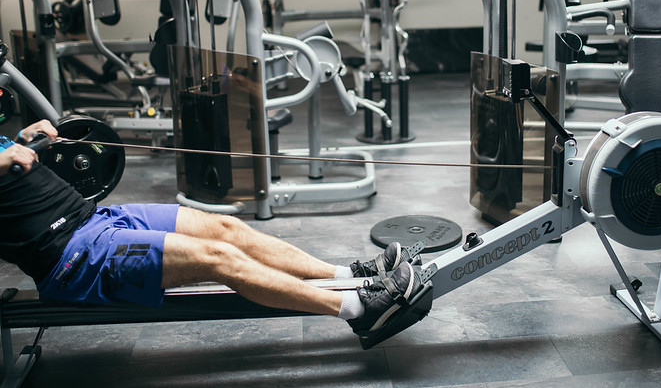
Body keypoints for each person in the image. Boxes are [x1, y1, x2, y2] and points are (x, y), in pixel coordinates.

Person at [0, 119, 422, 336]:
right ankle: (360, 310)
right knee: (218, 259)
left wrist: (21, 137)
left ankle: (348, 276)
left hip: (98, 217)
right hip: (75, 256)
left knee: (227, 229)